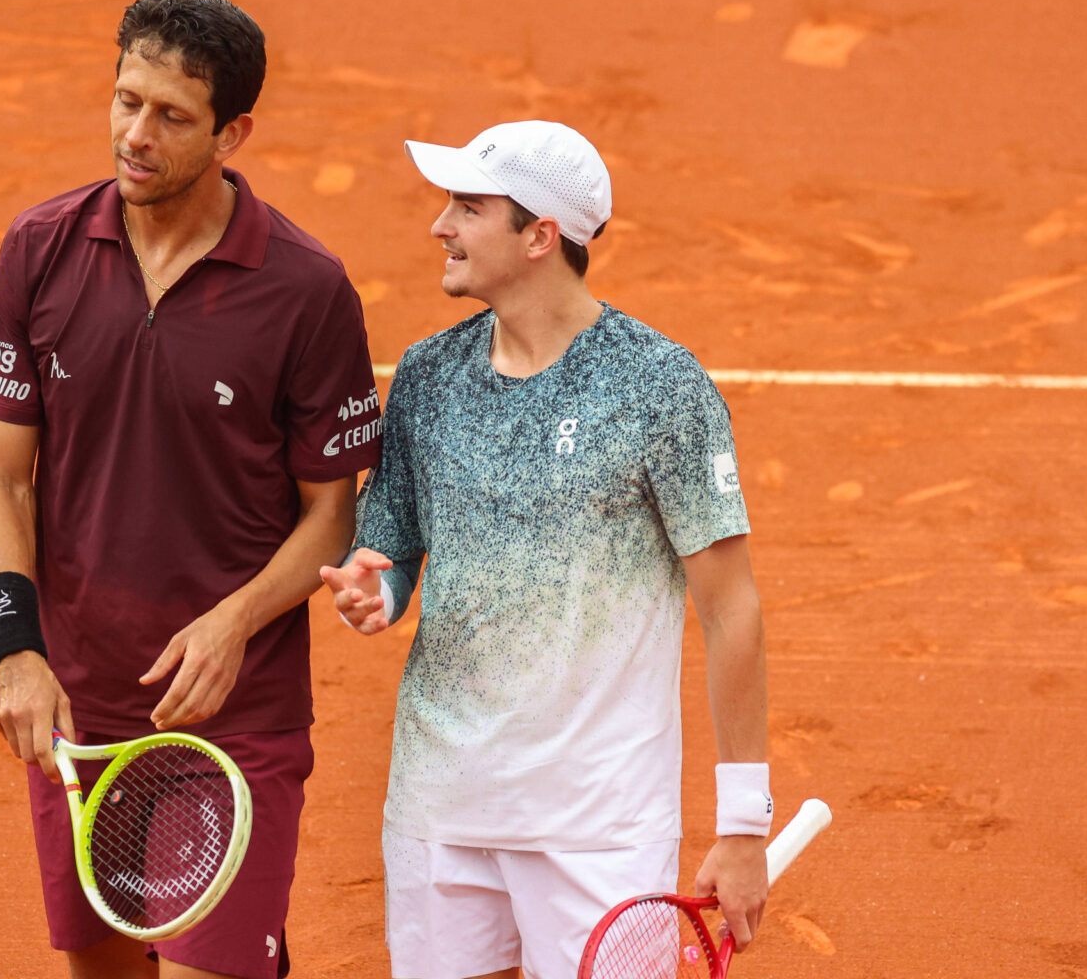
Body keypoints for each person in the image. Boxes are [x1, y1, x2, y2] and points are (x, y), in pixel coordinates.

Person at [0, 0, 382, 979]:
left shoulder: (306, 291)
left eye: (170, 117)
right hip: (80, 704)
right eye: (124, 101)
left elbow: (333, 513)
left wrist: (234, 621)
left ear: (233, 132)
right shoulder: (41, 249)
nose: (135, 135)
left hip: (231, 720)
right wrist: (14, 650)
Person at [320, 120, 772, 979]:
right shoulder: (427, 375)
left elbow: (730, 605)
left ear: (539, 236)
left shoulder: (659, 387)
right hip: (442, 803)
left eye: (468, 207)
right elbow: (393, 545)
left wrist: (744, 823)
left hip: (596, 822)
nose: (439, 226)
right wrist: (373, 591)